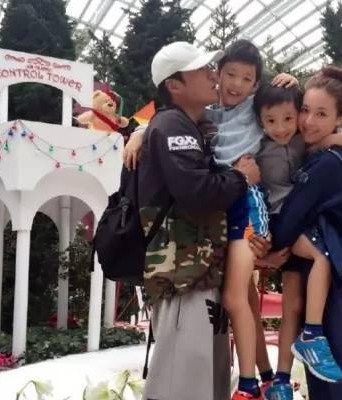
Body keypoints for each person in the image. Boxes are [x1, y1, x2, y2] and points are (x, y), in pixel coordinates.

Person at [137, 41, 266, 400]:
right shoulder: (173, 125)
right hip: (182, 278)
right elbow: (196, 191)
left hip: (200, 273)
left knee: (206, 380)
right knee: (182, 382)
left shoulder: (193, 126)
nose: (213, 75)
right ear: (174, 85)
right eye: (201, 70)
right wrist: (241, 177)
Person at [270, 66, 342, 400]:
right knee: (325, 385)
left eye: (321, 114)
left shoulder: (327, 163)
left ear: (338, 118)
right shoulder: (308, 155)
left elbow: (290, 219)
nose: (308, 121)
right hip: (321, 279)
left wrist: (266, 250)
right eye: (304, 110)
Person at [250, 84, 342, 400]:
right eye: (272, 121)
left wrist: (335, 138)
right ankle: (312, 334)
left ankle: (282, 381)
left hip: (301, 223)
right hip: (278, 224)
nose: (282, 127)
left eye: (290, 117)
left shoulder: (305, 141)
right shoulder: (257, 146)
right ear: (260, 120)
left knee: (293, 307)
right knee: (322, 257)